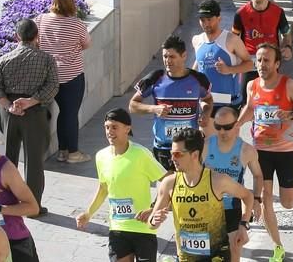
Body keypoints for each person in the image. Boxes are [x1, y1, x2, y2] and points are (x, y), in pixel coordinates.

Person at [237, 44, 293, 262]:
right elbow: (250, 108)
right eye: (259, 60)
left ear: (277, 64)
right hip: (260, 149)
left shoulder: (288, 85)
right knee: (266, 197)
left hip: (285, 150)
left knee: (288, 202)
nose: (261, 65)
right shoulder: (251, 85)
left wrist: (292, 115)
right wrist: (236, 125)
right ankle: (277, 246)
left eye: (266, 60)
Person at [148, 129, 254, 262]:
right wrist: (154, 220)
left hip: (216, 255)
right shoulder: (169, 183)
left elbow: (248, 196)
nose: (172, 158)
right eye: (171, 154)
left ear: (194, 154)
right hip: (186, 257)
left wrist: (244, 225)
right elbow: (151, 223)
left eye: (177, 154)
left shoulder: (217, 180)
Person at [76, 108, 165, 262]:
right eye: (107, 127)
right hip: (117, 228)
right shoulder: (101, 156)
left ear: (127, 129)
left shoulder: (140, 154)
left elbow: (167, 180)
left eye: (114, 127)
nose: (110, 131)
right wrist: (88, 213)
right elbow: (103, 188)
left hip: (143, 228)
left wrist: (154, 208)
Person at [0, 19, 58, 215]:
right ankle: (34, 206)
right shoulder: (46, 59)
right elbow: (52, 87)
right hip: (35, 113)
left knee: (8, 160)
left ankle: (9, 203)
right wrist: (30, 101)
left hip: (9, 115)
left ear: (17, 36)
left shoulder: (4, 59)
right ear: (36, 36)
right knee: (34, 162)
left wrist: (10, 106)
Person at [129, 35, 213, 170]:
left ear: (184, 55)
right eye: (165, 56)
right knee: (166, 189)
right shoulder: (155, 78)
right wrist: (153, 108)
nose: (167, 61)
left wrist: (206, 113)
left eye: (172, 57)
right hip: (164, 147)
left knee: (189, 188)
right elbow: (132, 105)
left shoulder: (198, 80)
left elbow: (208, 100)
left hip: (190, 147)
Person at [33, 0, 91, 164]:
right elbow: (87, 43)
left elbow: (32, 39)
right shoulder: (76, 24)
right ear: (71, 3)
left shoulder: (40, 20)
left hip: (48, 76)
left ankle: (61, 151)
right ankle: (73, 153)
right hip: (71, 76)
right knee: (70, 113)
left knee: (63, 114)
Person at [203, 107, 265, 262]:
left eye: (227, 127)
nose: (222, 132)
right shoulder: (204, 146)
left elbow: (258, 175)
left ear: (237, 125)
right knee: (206, 253)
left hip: (232, 207)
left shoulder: (246, 150)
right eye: (218, 127)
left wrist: (257, 199)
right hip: (206, 207)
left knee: (234, 250)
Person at [193, 0, 254, 114]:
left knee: (225, 132)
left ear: (219, 18)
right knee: (205, 132)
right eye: (202, 20)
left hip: (229, 103)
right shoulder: (197, 40)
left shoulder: (232, 40)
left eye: (209, 19)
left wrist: (229, 70)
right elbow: (199, 63)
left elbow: (250, 64)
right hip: (206, 102)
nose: (206, 23)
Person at [232, 0, 291, 85]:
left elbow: (286, 35)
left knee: (269, 98)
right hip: (248, 63)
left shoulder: (278, 12)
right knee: (247, 98)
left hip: (270, 62)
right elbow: (234, 38)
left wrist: (287, 47)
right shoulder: (241, 13)